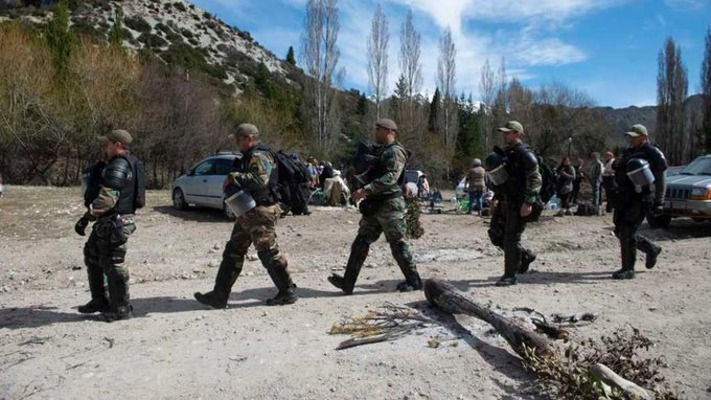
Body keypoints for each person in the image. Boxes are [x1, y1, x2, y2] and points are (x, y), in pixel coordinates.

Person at [195, 123, 298, 307]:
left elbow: (260, 180)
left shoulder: (260, 155)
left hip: (261, 211)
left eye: (238, 139)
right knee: (233, 250)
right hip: (249, 211)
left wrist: (234, 176)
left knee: (268, 252)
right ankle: (219, 296)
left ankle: (287, 291)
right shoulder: (250, 156)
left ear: (249, 138)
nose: (236, 142)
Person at [328, 118, 422, 294]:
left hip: (390, 204)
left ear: (388, 131)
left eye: (378, 129)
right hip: (375, 203)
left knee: (397, 243)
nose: (375, 132)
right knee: (361, 241)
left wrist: (365, 190)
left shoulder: (395, 152)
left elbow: (391, 177)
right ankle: (348, 283)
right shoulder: (381, 151)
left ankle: (414, 281)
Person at [73, 129, 142, 322]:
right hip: (110, 221)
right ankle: (99, 300)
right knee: (92, 253)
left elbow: (108, 198)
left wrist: (87, 217)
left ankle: (121, 308)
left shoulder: (119, 164)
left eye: (108, 144)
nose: (105, 147)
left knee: (114, 262)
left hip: (116, 222)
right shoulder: (121, 163)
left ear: (118, 145)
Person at [486, 121, 541, 287]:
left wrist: (529, 202)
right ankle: (523, 256)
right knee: (496, 234)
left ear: (517, 134)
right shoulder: (507, 153)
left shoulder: (524, 154)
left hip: (520, 201)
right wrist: (496, 197)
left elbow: (535, 179)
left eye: (508, 132)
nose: (504, 135)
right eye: (504, 132)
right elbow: (504, 179)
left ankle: (510, 275)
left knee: (511, 238)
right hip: (506, 199)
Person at [611, 124, 666, 279]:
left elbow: (661, 177)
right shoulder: (628, 152)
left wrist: (659, 201)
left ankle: (628, 269)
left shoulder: (652, 152)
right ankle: (651, 249)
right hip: (624, 196)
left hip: (641, 197)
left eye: (634, 137)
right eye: (630, 137)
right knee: (619, 231)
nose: (630, 139)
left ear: (643, 137)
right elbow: (617, 166)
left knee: (628, 230)